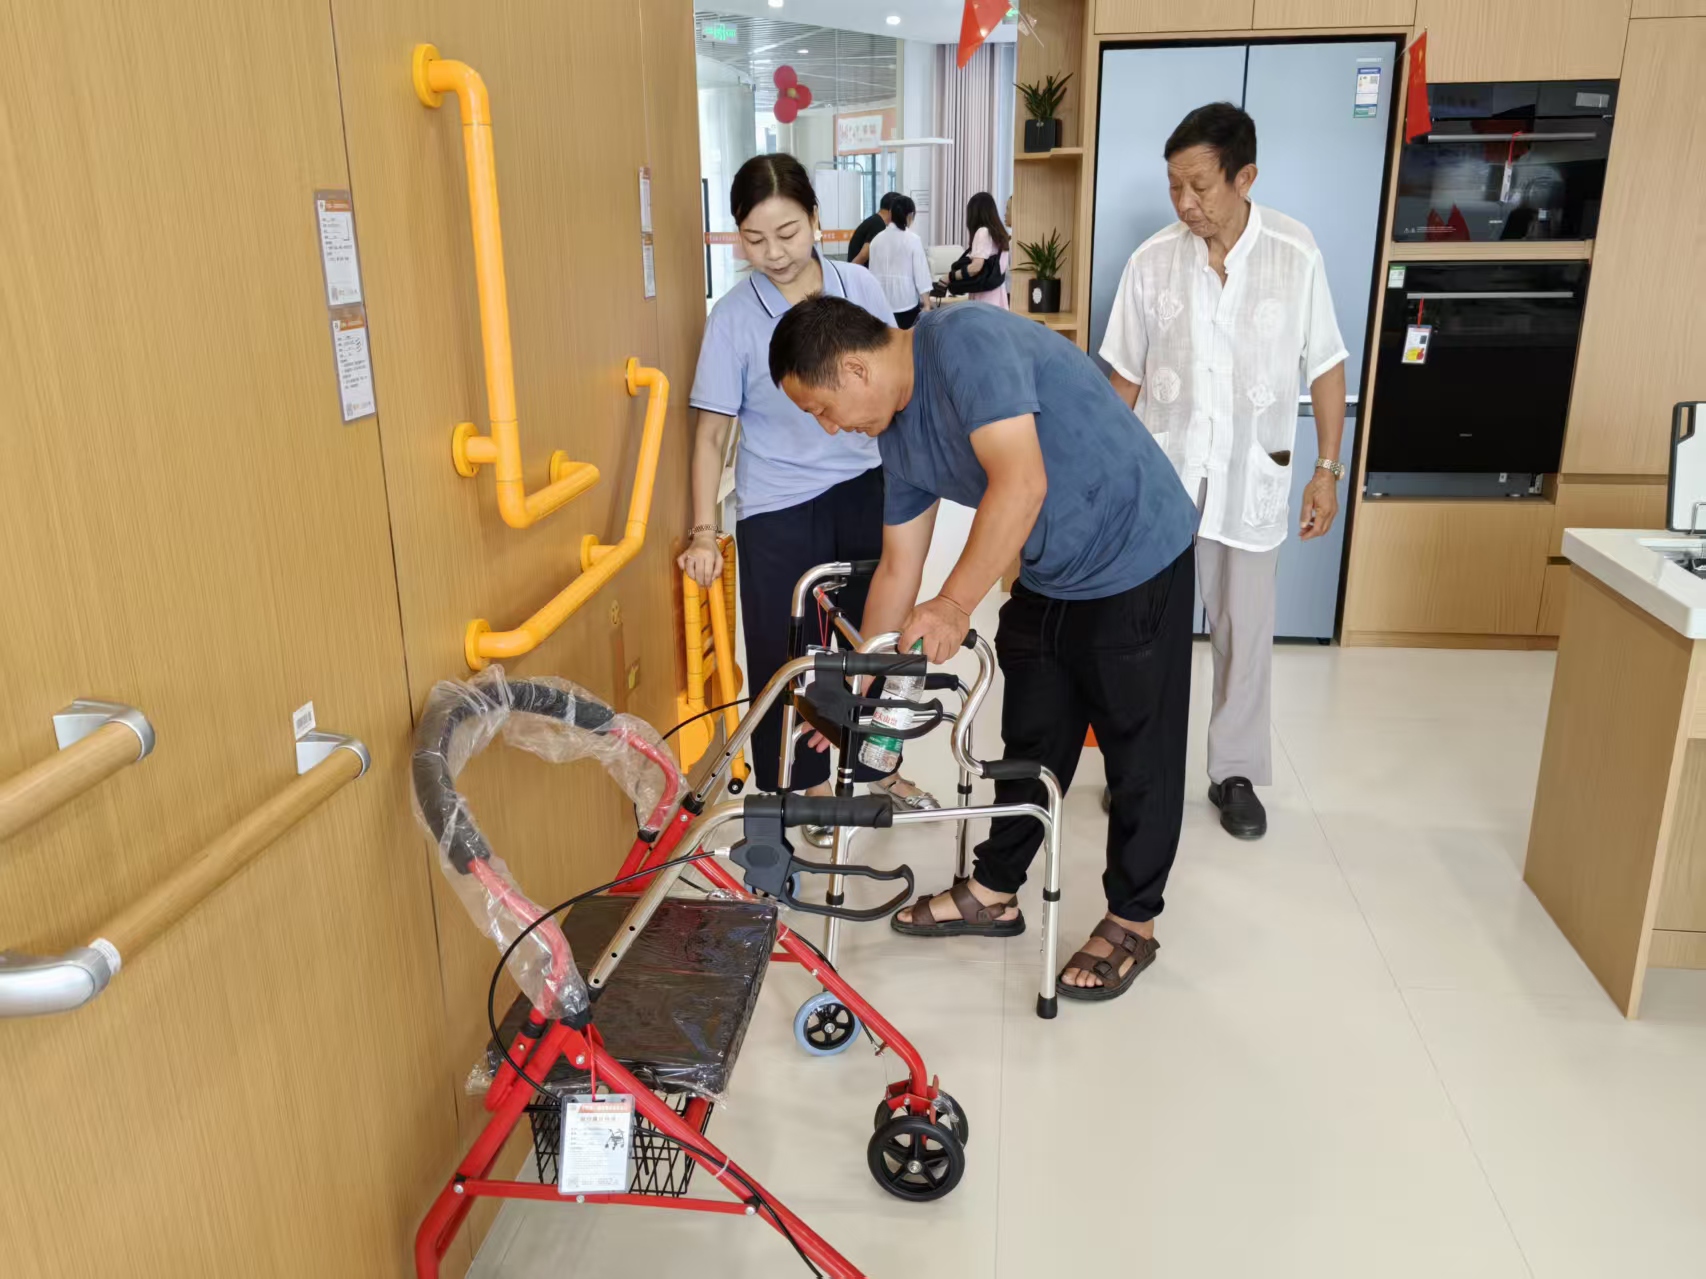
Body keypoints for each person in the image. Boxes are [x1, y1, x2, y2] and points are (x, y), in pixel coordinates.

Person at [769, 296, 1199, 1001]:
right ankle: (996, 890)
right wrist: (862, 687)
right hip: (1052, 568)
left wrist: (954, 603)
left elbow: (1021, 483)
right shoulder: (897, 440)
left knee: (1138, 750)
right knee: (1031, 732)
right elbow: (899, 568)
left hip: (1135, 550)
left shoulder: (963, 340)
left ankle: (1133, 920)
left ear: (853, 369)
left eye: (822, 408)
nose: (829, 426)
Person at [1100, 102, 1348, 841]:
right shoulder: (1151, 261)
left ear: (1245, 178)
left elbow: (1326, 365)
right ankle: (1142, 767)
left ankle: (1233, 771)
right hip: (1165, 479)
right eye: (1175, 186)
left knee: (1245, 629)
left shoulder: (1294, 254)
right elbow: (1122, 379)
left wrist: (1327, 469)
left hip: (1251, 477)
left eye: (1200, 186)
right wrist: (1102, 479)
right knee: (1149, 636)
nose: (1185, 203)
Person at [679, 155, 937, 819]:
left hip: (867, 483)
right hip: (778, 503)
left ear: (817, 219)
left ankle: (878, 766)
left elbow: (895, 380)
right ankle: (809, 785)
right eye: (755, 239)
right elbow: (710, 434)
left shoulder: (859, 286)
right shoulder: (734, 316)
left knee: (875, 636)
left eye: (788, 232)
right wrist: (704, 531)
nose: (774, 253)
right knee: (792, 649)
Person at [866, 195, 933, 330]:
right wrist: (927, 304)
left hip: (881, 305)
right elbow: (921, 274)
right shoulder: (913, 239)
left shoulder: (876, 240)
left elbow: (871, 274)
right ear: (910, 215)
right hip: (906, 303)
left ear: (891, 214)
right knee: (906, 341)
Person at [962, 191, 1010, 309]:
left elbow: (976, 267)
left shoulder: (982, 232)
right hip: (999, 295)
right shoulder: (1000, 234)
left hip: (984, 299)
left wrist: (951, 277)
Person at [847, 191, 900, 268]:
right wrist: (850, 270)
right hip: (860, 272)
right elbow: (864, 255)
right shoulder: (878, 225)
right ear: (893, 210)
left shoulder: (875, 221)